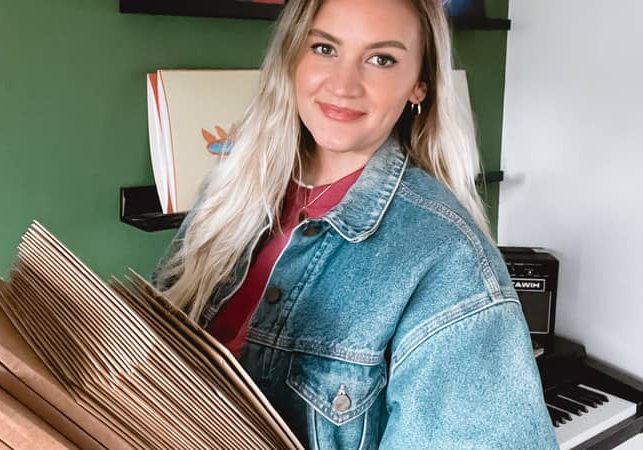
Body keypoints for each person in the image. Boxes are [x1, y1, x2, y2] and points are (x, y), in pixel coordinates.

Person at [154, 0, 558, 448]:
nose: (344, 85)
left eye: (381, 59)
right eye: (325, 49)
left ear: (418, 85)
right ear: (293, 56)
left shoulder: (451, 262)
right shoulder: (230, 190)